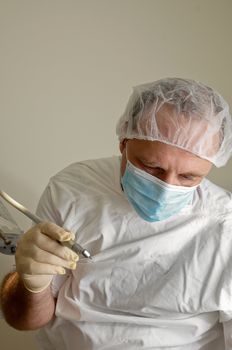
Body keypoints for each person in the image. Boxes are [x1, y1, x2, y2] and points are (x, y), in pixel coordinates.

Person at [1, 78, 232, 349]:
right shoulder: (73, 190)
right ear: (124, 142)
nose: (166, 188)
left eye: (189, 177)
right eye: (152, 167)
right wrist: (30, 282)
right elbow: (24, 320)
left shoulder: (224, 224)